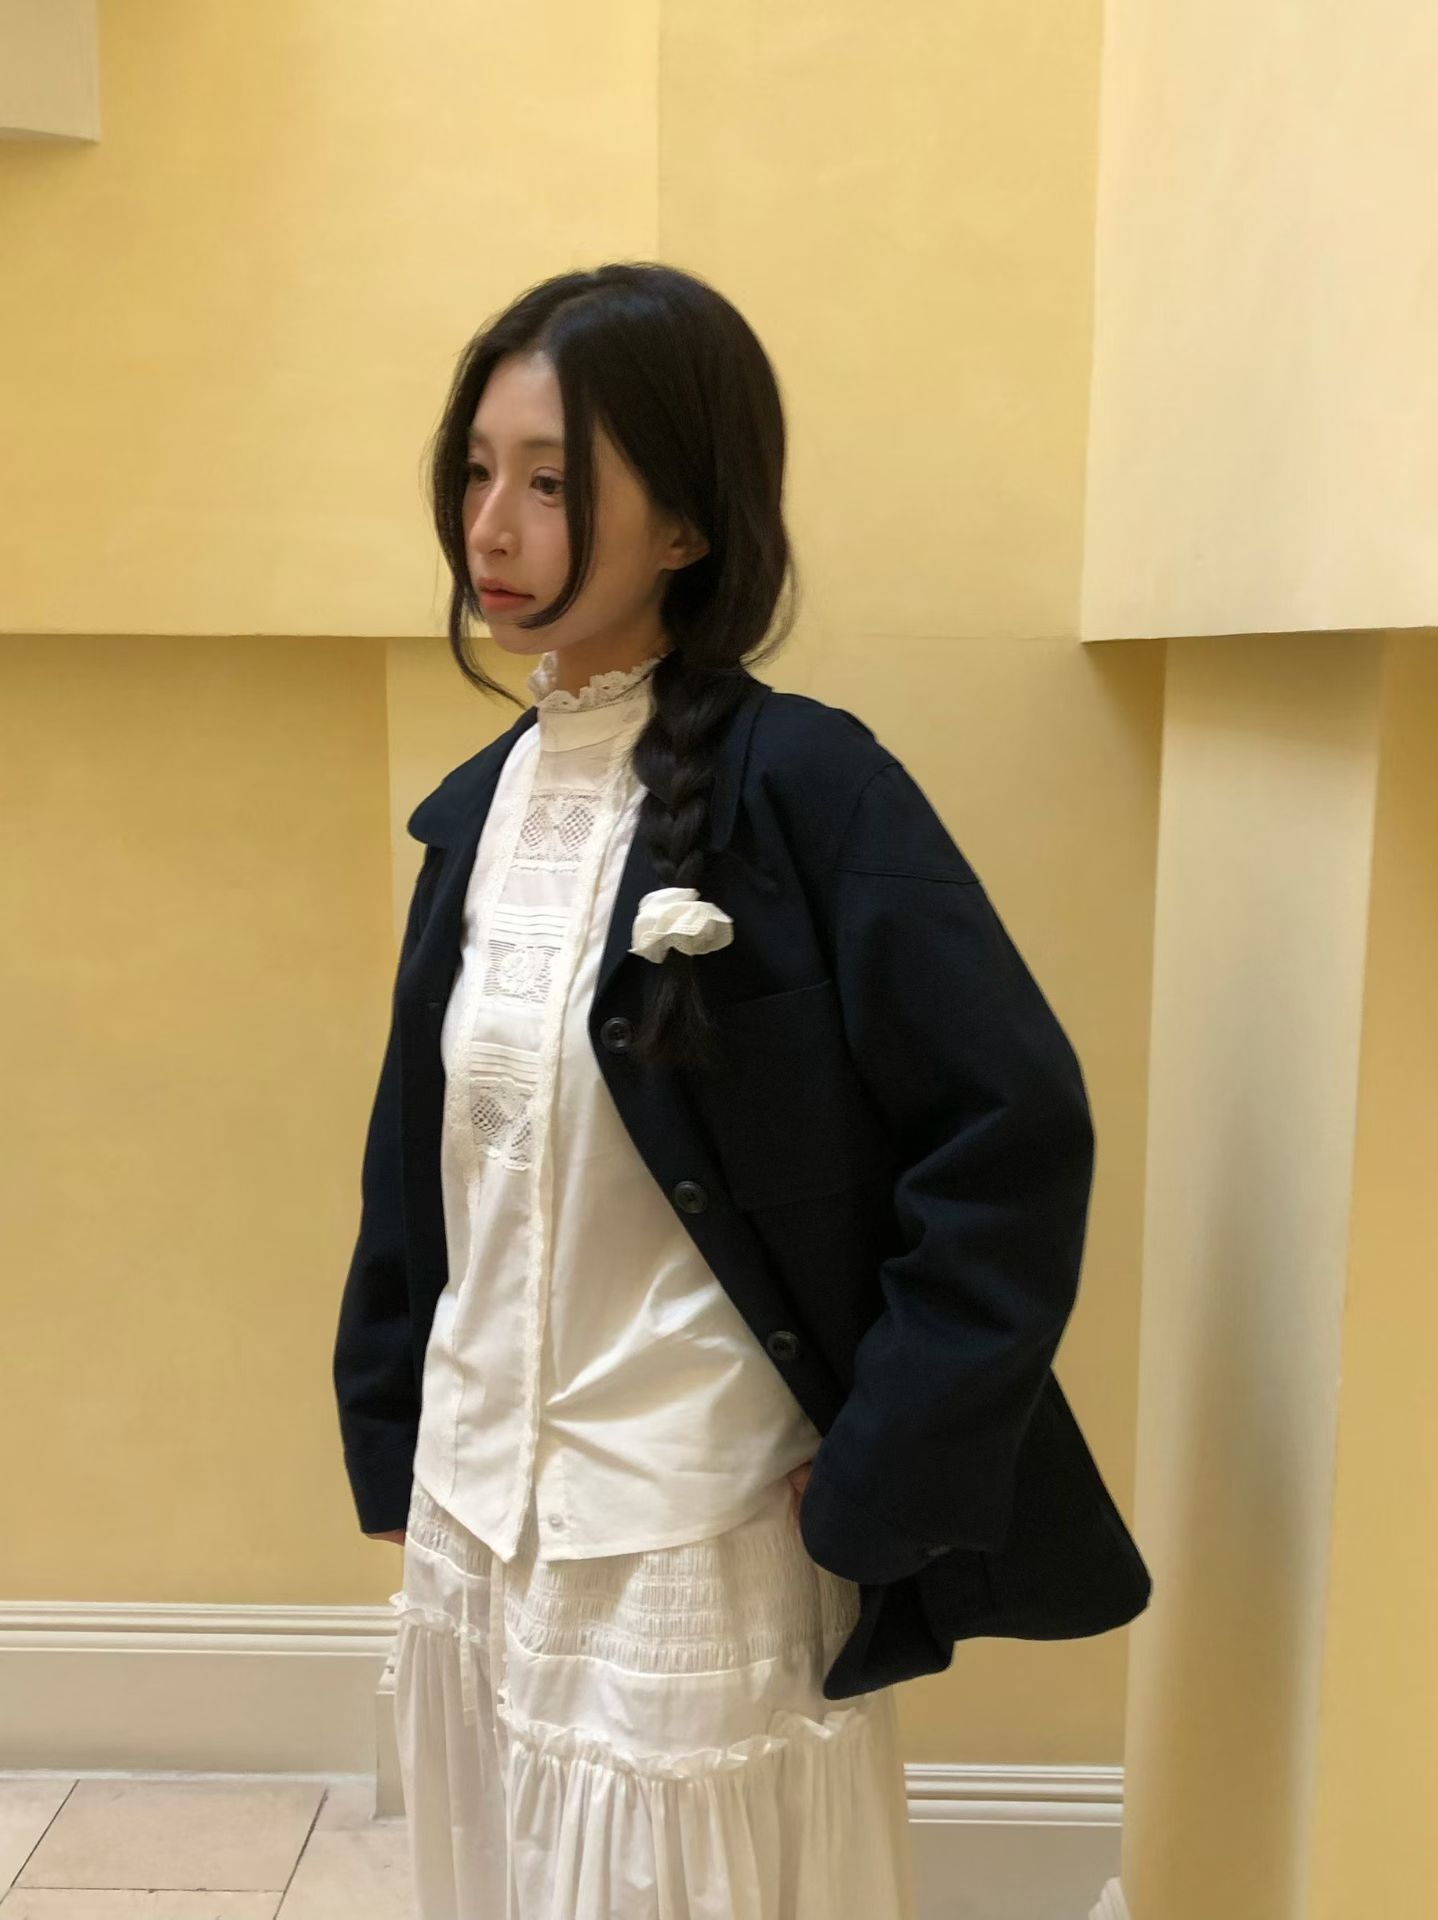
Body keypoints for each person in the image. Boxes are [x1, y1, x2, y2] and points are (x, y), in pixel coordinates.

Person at [333, 262, 1113, 1917]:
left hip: (693, 1524)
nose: (491, 527)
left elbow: (1010, 1134)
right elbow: (430, 1158)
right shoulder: (476, 812)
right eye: (477, 471)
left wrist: (893, 1460)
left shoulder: (813, 790)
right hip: (483, 1513)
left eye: (554, 483)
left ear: (688, 524)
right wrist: (399, 1425)